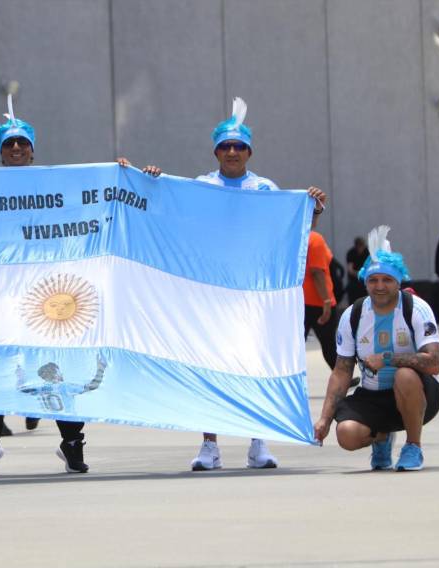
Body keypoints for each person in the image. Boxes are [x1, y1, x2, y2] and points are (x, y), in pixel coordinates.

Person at [120, 97, 328, 471]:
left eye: (239, 147)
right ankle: (209, 447)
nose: (232, 152)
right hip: (210, 293)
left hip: (252, 295)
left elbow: (288, 235)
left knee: (253, 363)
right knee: (208, 363)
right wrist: (145, 181)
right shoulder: (201, 186)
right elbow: (168, 211)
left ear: (249, 152)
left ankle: (258, 442)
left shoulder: (265, 189)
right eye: (225, 146)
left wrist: (309, 210)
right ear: (216, 151)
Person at [0, 95, 93, 477]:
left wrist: (121, 173)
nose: (17, 148)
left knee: (57, 369)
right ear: (0, 152)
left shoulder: (55, 184)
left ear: (33, 151)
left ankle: (73, 444)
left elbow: (91, 205)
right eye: (10, 144)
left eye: (23, 143)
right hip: (1, 297)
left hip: (46, 298)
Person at [314, 225, 439, 471]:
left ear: (398, 281)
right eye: (373, 280)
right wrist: (324, 419)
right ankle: (381, 437)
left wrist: (388, 359)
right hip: (373, 395)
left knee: (404, 376)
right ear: (365, 282)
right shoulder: (353, 315)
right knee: (346, 434)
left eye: (387, 280)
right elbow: (341, 371)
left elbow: (434, 363)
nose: (380, 286)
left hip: (419, 393)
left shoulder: (416, 308)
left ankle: (413, 447)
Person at [303, 222, 338, 370]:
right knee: (329, 343)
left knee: (295, 346)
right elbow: (317, 272)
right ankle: (341, 377)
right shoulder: (314, 239)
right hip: (318, 302)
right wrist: (326, 301)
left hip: (299, 301)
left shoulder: (293, 239)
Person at [345, 236, 369, 304]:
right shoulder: (351, 253)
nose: (361, 248)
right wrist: (359, 274)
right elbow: (350, 270)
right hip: (354, 282)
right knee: (353, 302)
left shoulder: (367, 252)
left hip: (365, 282)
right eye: (360, 246)